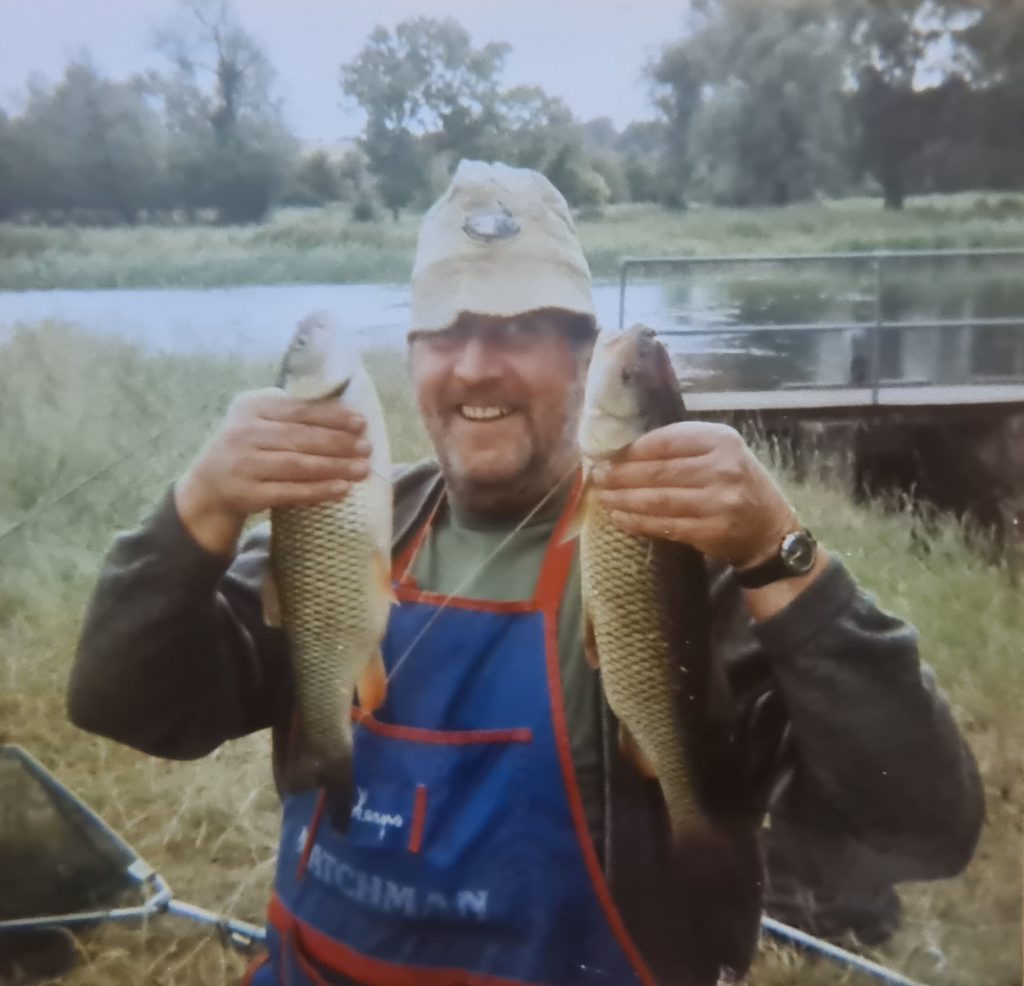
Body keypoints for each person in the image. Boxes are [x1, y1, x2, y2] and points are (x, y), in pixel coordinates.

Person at [67, 161, 984, 986]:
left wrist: (782, 552)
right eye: (445, 331)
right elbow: (122, 702)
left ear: (585, 358)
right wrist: (200, 505)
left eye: (519, 330)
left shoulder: (675, 566)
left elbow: (925, 827)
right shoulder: (343, 538)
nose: (476, 366)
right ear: (411, 356)